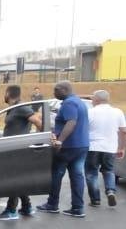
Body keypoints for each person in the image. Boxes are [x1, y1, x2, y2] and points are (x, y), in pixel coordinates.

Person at [38, 81, 90, 218]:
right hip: (82, 145)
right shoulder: (78, 101)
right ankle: (78, 208)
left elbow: (71, 122)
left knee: (57, 175)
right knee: (77, 176)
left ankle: (52, 204)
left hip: (67, 147)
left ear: (64, 90)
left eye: (56, 90)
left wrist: (60, 140)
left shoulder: (69, 103)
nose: (53, 93)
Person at [0, 85, 43, 221]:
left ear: (8, 93)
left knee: (14, 180)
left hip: (18, 149)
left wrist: (41, 138)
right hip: (13, 148)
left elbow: (37, 121)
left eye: (5, 93)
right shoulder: (14, 108)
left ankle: (11, 210)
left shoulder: (21, 107)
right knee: (18, 179)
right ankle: (26, 207)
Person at [85, 89, 126, 208]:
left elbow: (83, 130)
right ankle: (110, 191)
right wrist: (122, 148)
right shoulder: (118, 112)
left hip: (92, 147)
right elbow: (124, 132)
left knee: (91, 173)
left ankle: (95, 200)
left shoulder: (90, 112)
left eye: (93, 98)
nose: (92, 100)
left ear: (97, 100)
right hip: (110, 148)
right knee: (108, 171)